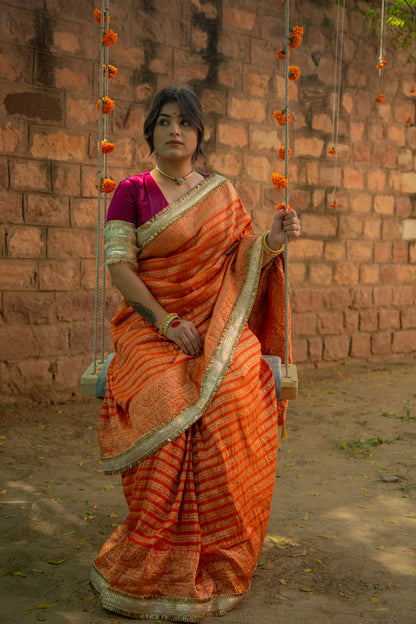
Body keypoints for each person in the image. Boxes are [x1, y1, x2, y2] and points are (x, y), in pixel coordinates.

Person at [91, 86, 301, 622]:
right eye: (163, 122)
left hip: (218, 322)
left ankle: (218, 547)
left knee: (235, 391)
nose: (174, 131)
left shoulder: (222, 194)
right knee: (165, 396)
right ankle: (156, 546)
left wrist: (272, 240)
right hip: (150, 325)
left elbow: (242, 258)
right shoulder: (132, 191)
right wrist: (166, 321)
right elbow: (121, 269)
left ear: (199, 134)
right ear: (151, 134)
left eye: (184, 122)